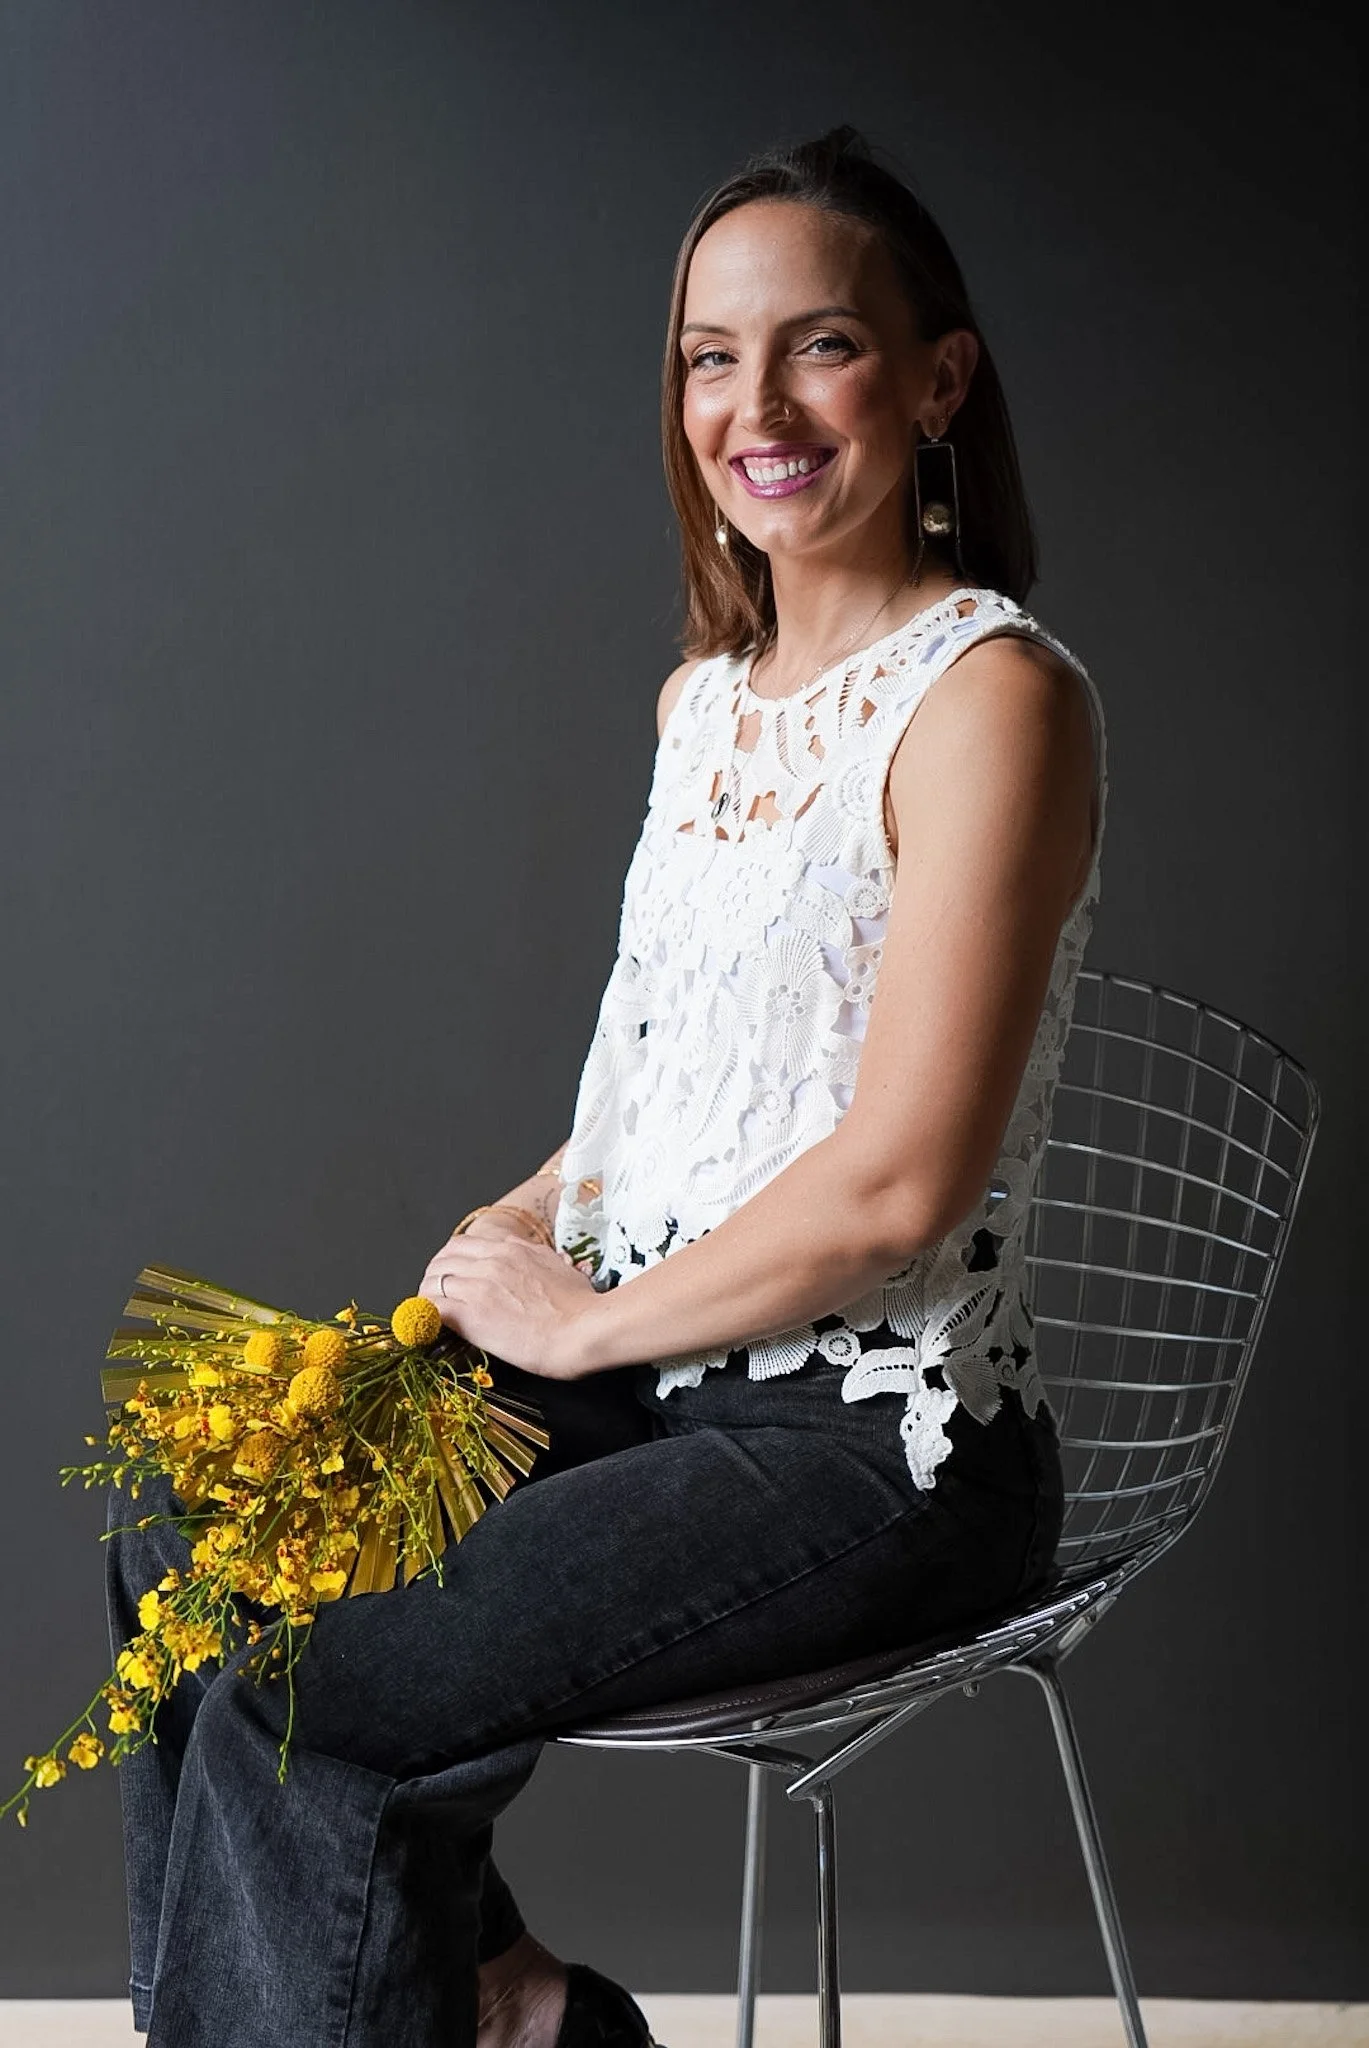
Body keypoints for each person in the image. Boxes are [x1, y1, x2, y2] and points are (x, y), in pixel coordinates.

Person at [105, 122, 1106, 2048]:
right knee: (192, 1522)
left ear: (937, 382)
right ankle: (502, 2005)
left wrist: (576, 1324)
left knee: (316, 1695)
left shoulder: (994, 701)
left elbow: (901, 1181)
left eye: (821, 346)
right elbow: (680, 1088)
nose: (758, 409)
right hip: (664, 1366)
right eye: (713, 358)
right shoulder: (702, 705)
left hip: (867, 1441)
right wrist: (519, 1219)